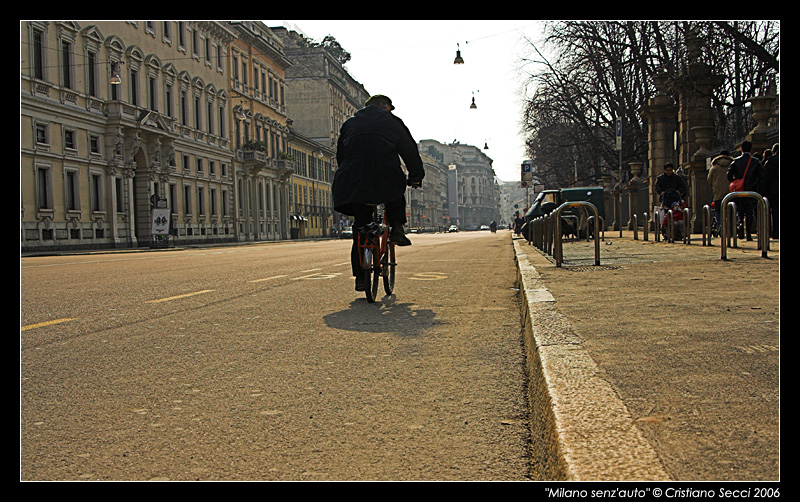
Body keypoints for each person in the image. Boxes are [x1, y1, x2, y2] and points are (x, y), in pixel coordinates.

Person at [332, 95, 425, 291]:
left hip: (351, 178)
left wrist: (348, 173)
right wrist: (416, 176)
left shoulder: (350, 123)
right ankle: (398, 229)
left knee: (360, 225)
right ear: (385, 107)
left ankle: (361, 277)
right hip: (384, 173)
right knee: (395, 191)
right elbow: (409, 150)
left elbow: (341, 154)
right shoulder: (391, 121)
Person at [726, 140, 763, 241]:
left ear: (741, 149)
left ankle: (740, 223)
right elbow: (761, 176)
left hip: (739, 190)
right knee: (749, 211)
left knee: (740, 210)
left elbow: (729, 174)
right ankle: (749, 233)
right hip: (751, 190)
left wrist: (735, 181)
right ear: (750, 149)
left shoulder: (736, 161)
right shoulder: (755, 161)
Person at [707, 150, 734, 232]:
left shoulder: (714, 167)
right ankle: (731, 228)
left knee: (718, 210)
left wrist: (714, 186)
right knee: (731, 210)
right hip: (731, 191)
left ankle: (720, 225)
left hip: (718, 192)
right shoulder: (733, 165)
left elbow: (709, 180)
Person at [760, 143, 779, 238]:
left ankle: (775, 233)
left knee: (775, 212)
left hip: (774, 190)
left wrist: (764, 192)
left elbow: (765, 179)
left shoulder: (769, 162)